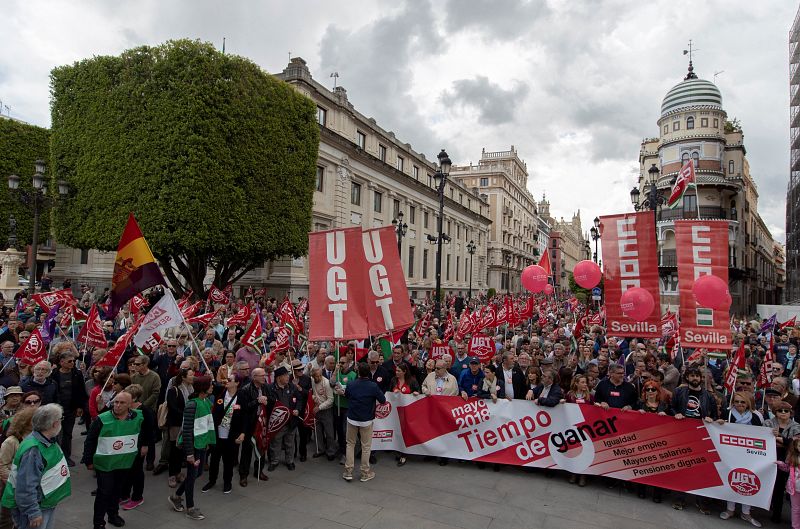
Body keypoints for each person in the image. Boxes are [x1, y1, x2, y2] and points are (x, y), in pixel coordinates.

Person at [82, 391, 145, 529]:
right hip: (105, 464)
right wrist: (88, 460)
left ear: (130, 405)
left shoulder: (138, 417)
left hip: (124, 462)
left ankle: (113, 515)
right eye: (116, 402)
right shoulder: (102, 419)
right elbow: (90, 440)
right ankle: (98, 522)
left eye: (122, 403)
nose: (117, 405)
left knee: (117, 490)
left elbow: (141, 434)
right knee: (104, 492)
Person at [1, 404, 70, 529]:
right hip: (37, 507)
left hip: (46, 502)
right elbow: (26, 487)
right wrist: (33, 512)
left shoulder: (47, 439)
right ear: (54, 424)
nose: (61, 422)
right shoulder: (33, 450)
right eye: (60, 419)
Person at [670, 365, 719, 514]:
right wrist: (676, 414)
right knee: (682, 467)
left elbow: (716, 415)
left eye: (697, 376)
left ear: (701, 378)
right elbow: (671, 408)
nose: (695, 378)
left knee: (700, 469)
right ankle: (680, 498)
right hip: (683, 434)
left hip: (701, 435)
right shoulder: (679, 392)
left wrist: (712, 418)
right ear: (687, 378)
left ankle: (701, 501)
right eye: (692, 376)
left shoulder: (709, 396)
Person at [169, 375, 215, 521]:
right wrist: (189, 454)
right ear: (203, 388)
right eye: (210, 384)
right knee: (191, 476)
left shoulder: (205, 401)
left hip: (201, 444)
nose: (212, 386)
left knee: (197, 473)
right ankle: (190, 508)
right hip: (193, 446)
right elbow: (187, 430)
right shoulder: (192, 405)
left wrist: (207, 442)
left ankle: (176, 496)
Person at [718, 391, 762, 526]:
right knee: (732, 478)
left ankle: (746, 512)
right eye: (736, 401)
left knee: (748, 481)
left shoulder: (755, 417)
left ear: (748, 403)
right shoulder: (728, 413)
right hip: (731, 452)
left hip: (749, 454)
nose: (739, 404)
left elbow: (761, 435)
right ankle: (730, 509)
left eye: (742, 402)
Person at [342, 362, 386, 483]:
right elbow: (383, 400)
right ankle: (365, 473)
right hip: (366, 420)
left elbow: (347, 395)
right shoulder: (373, 386)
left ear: (358, 372)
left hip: (352, 418)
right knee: (366, 446)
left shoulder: (351, 384)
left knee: (350, 444)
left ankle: (348, 472)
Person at [202, 373, 245, 494]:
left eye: (230, 379)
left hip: (231, 435)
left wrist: (242, 433)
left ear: (236, 383)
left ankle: (227, 482)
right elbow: (210, 385)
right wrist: (210, 377)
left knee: (229, 460)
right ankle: (212, 480)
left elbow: (245, 416)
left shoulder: (241, 396)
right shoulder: (220, 391)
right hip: (217, 433)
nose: (227, 381)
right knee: (214, 459)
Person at [49, 347, 88, 466]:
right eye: (69, 361)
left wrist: (80, 406)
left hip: (71, 408)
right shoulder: (54, 374)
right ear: (61, 362)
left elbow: (81, 390)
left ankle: (66, 456)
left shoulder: (77, 374)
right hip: (56, 409)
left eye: (73, 361)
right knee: (54, 433)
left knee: (67, 433)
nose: (72, 363)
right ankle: (55, 456)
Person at [765, 399, 800, 524]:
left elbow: (795, 443)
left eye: (787, 411)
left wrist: (778, 438)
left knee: (786, 488)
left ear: (791, 413)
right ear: (775, 412)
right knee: (775, 486)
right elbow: (764, 439)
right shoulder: (768, 422)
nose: (784, 413)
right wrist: (786, 441)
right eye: (780, 410)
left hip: (790, 459)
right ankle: (774, 511)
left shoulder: (796, 426)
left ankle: (786, 516)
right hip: (771, 456)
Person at [0, 407, 35, 529]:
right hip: (11, 487)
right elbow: (2, 466)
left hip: (27, 489)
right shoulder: (11, 442)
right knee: (7, 518)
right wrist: (14, 483)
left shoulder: (34, 438)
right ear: (25, 422)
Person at [238, 367, 273, 485]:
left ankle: (259, 471)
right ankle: (243, 475)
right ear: (254, 377)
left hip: (262, 422)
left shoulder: (266, 387)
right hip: (250, 424)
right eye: (261, 376)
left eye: (264, 375)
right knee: (247, 451)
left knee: (261, 448)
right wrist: (257, 401)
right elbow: (244, 408)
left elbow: (273, 400)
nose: (264, 377)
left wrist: (267, 400)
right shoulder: (245, 389)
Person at [267, 366, 301, 472]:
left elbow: (299, 400)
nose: (288, 377)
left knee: (290, 442)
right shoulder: (269, 388)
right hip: (277, 422)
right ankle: (274, 461)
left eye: (288, 375)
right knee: (275, 442)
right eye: (285, 375)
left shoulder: (292, 387)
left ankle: (289, 461)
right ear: (278, 378)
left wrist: (297, 409)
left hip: (291, 421)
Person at [167, 368, 194, 488]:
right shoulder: (174, 390)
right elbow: (172, 407)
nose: (193, 377)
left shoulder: (191, 389)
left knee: (181, 449)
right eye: (191, 375)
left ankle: (178, 472)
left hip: (187, 423)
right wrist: (185, 415)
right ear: (183, 377)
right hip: (176, 424)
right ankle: (172, 474)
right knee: (174, 449)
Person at [310, 367, 338, 461]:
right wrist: (313, 397)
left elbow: (331, 399)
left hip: (326, 410)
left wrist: (320, 407)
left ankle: (331, 451)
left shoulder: (326, 383)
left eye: (319, 376)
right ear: (313, 376)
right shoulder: (313, 381)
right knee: (317, 432)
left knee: (329, 433)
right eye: (316, 376)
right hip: (316, 409)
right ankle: (320, 449)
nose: (318, 378)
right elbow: (314, 392)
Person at [776, 436, 800, 529]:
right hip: (795, 489)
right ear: (796, 447)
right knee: (795, 509)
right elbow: (787, 468)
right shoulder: (793, 458)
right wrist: (780, 464)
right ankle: (795, 526)